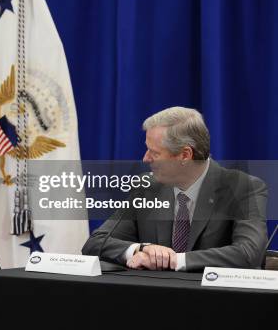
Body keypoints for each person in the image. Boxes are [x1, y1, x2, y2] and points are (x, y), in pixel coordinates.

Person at [82, 107, 267, 271]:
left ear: (185, 155)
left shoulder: (243, 188)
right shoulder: (146, 188)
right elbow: (95, 243)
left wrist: (173, 260)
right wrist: (141, 249)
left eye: (154, 152)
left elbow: (249, 253)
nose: (145, 159)